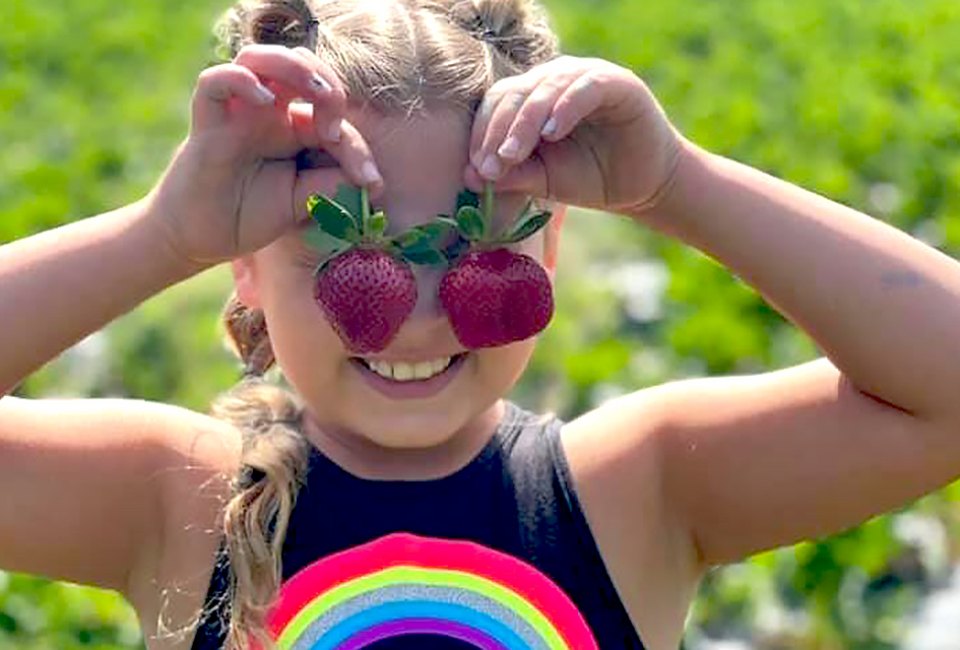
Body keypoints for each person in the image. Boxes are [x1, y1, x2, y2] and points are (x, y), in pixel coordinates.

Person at [2, 0, 959, 648]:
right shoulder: (176, 497)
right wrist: (162, 234)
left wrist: (679, 185)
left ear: (548, 251)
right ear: (243, 265)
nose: (415, 320)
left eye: (473, 250)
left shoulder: (635, 488)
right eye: (348, 253)